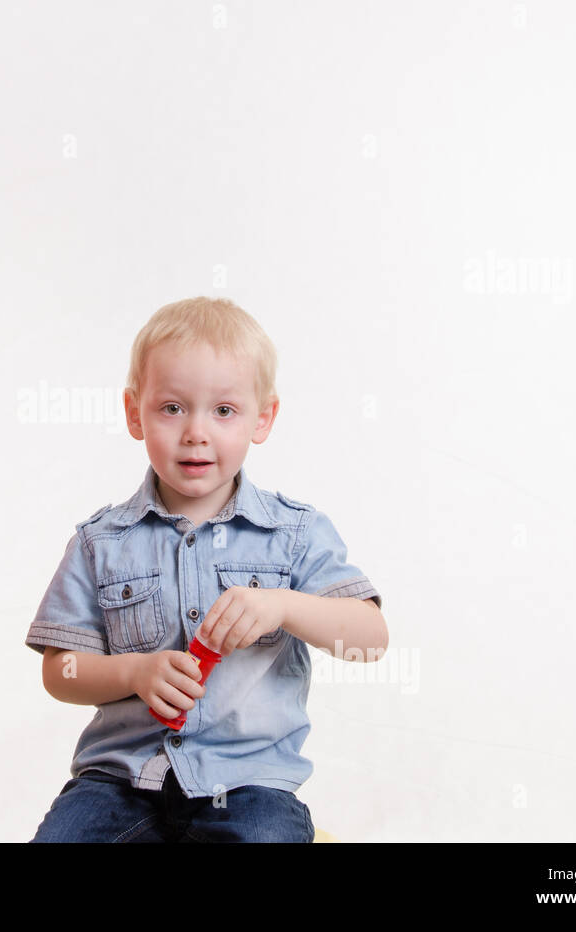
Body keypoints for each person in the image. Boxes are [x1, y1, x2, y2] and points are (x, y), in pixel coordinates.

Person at [26, 296, 386, 842]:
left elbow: (371, 637)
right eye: (172, 408)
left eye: (223, 411)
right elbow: (61, 670)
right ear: (133, 413)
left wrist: (284, 605)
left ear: (262, 418)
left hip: (250, 784)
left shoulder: (293, 535)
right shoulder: (100, 542)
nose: (196, 432)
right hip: (120, 781)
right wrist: (133, 673)